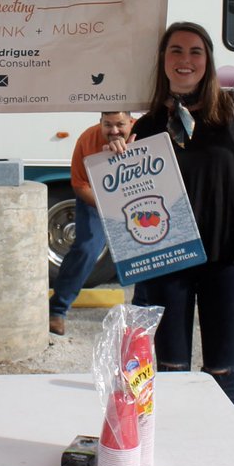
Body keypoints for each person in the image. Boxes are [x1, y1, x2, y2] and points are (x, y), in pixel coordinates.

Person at [123, 21, 234, 408]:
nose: (185, 60)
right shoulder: (146, 126)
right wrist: (120, 166)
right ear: (162, 60)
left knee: (221, 372)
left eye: (196, 51)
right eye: (176, 50)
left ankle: (223, 459)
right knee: (171, 368)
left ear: (208, 60)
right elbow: (131, 200)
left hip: (226, 253)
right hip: (167, 258)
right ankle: (175, 451)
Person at [48, 111, 135, 336]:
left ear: (131, 122)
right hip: (96, 198)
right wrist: (111, 208)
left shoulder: (144, 132)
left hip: (137, 199)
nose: (114, 131)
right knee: (86, 249)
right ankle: (57, 310)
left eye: (120, 124)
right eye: (108, 125)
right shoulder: (87, 139)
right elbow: (80, 185)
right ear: (100, 124)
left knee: (149, 250)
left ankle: (143, 314)